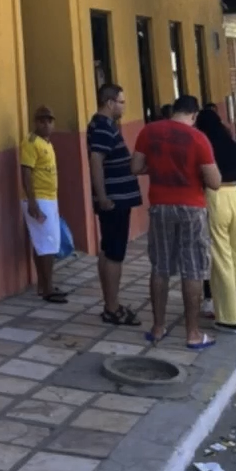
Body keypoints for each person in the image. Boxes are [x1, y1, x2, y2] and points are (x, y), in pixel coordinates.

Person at [134, 95, 221, 348]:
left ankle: (158, 327)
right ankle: (193, 334)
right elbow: (214, 182)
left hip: (160, 205)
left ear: (173, 110)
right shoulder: (198, 138)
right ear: (193, 115)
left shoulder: (148, 131)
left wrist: (159, 168)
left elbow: (136, 166)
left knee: (160, 267)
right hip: (191, 209)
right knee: (192, 269)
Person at [195, 105, 236, 332]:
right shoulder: (233, 146)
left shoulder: (205, 147)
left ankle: (229, 318)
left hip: (215, 196)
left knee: (221, 257)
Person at [87, 84, 143, 326]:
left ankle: (111, 303)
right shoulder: (101, 127)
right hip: (114, 201)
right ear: (109, 103)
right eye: (121, 102)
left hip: (116, 199)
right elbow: (95, 161)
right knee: (114, 254)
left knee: (108, 250)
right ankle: (112, 308)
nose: (123, 106)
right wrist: (103, 197)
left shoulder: (106, 126)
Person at [19, 106, 66, 304]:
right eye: (41, 121)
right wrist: (32, 202)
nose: (46, 124)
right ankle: (47, 288)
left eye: (49, 121)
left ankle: (43, 285)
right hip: (39, 199)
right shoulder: (31, 143)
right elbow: (26, 172)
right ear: (35, 122)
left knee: (43, 243)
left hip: (49, 198)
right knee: (48, 244)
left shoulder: (46, 143)